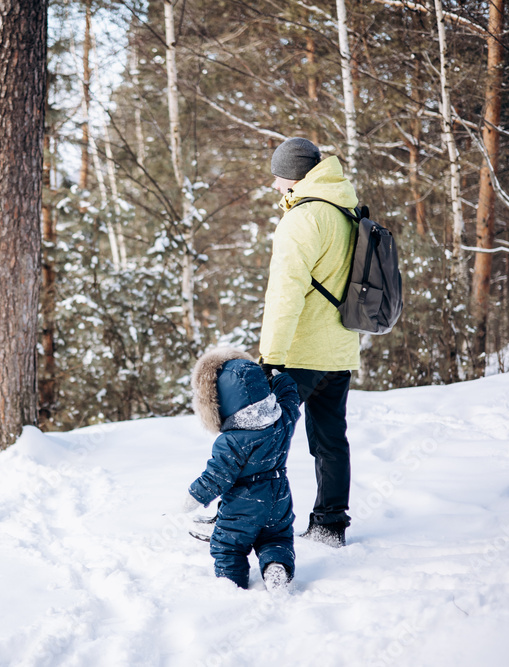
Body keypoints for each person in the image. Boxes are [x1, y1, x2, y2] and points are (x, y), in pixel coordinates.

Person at [258, 137, 360, 548]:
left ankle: (250, 520)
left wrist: (270, 358)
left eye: (278, 177)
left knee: (262, 438)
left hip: (300, 351)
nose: (275, 186)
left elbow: (286, 294)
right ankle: (330, 525)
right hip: (339, 348)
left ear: (294, 176)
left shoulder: (303, 219)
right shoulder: (344, 209)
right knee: (331, 440)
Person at [182, 347, 301, 591]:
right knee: (276, 538)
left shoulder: (231, 440)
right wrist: (281, 379)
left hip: (242, 503)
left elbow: (216, 476)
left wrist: (194, 497)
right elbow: (290, 399)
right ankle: (276, 567)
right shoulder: (282, 421)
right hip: (279, 497)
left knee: (228, 546)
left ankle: (231, 585)